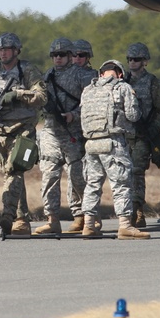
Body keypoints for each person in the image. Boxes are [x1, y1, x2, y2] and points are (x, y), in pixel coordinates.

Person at [0, 32, 48, 236]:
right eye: (0, 50)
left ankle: (8, 214)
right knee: (10, 175)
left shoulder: (27, 70)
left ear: (16, 51)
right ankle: (22, 219)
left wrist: (17, 95)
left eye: (7, 49)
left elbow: (42, 96)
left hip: (22, 130)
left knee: (15, 169)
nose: (3, 53)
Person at [79, 59, 149, 239]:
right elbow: (133, 115)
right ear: (119, 74)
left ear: (101, 74)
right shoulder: (122, 87)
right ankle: (125, 225)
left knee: (92, 184)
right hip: (113, 142)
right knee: (121, 185)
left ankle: (88, 224)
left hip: (91, 143)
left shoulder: (88, 90)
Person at [34, 38, 95, 234]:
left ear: (70, 56)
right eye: (54, 55)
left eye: (61, 55)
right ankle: (52, 219)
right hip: (51, 132)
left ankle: (89, 217)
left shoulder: (83, 76)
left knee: (77, 177)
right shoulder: (48, 75)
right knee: (49, 174)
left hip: (73, 132)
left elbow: (92, 103)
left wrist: (73, 115)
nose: (57, 58)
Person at [123, 42, 160, 228]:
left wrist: (151, 130)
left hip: (142, 136)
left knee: (137, 173)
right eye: (129, 59)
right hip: (124, 135)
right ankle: (126, 210)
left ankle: (137, 211)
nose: (132, 62)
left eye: (136, 59)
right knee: (122, 175)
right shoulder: (122, 82)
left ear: (145, 62)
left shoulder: (153, 83)